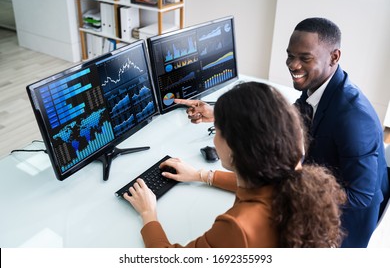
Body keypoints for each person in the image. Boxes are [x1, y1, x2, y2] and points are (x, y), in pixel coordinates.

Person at [175, 17, 390, 248]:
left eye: (304, 58)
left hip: (340, 228)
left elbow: (362, 196)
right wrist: (222, 114)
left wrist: (298, 188)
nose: (293, 65)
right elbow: (281, 119)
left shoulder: (354, 118)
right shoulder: (318, 88)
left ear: (334, 57)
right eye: (290, 55)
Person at [124, 82, 347, 248]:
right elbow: (265, 187)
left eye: (218, 130)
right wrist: (202, 175)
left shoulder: (237, 227)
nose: (213, 139)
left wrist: (148, 214)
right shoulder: (295, 172)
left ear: (235, 148)